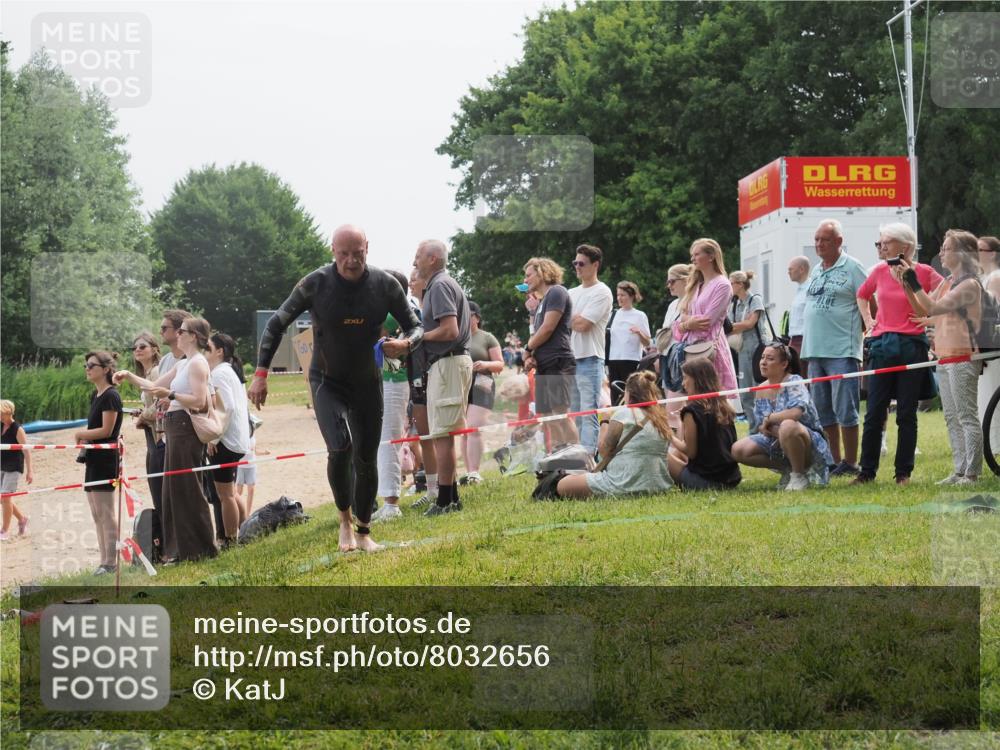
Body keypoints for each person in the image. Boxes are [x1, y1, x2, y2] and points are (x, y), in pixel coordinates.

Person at [249, 225, 422, 551]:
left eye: (357, 253)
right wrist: (260, 374)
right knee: (340, 448)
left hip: (367, 382)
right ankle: (344, 522)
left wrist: (405, 344)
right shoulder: (316, 283)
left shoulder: (384, 285)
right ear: (333, 251)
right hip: (326, 381)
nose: (351, 261)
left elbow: (415, 326)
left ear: (367, 248)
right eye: (343, 254)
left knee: (366, 459)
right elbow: (276, 323)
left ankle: (364, 531)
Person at [115, 318, 218, 562]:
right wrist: (129, 375)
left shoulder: (197, 363)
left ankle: (203, 548)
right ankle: (182, 550)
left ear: (192, 336)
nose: (176, 335)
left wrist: (170, 394)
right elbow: (153, 386)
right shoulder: (183, 364)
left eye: (180, 331)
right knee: (173, 492)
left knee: (188, 489)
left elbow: (201, 401)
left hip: (185, 428)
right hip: (174, 428)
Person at [853, 222, 944, 486]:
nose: (881, 247)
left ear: (904, 246)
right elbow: (862, 294)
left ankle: (903, 473)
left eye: (886, 242)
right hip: (882, 345)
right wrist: (869, 321)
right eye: (879, 242)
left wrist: (931, 321)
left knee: (906, 413)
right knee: (874, 412)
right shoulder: (879, 271)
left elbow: (943, 298)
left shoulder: (925, 272)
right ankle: (866, 471)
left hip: (912, 346)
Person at [898, 230, 983, 484]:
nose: (941, 253)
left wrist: (913, 281)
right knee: (951, 417)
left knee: (966, 416)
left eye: (946, 248)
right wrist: (906, 284)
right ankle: (959, 470)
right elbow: (922, 309)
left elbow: (933, 308)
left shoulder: (969, 284)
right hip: (944, 355)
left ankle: (972, 472)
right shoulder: (947, 282)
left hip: (962, 355)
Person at [801, 220, 869, 477]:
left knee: (845, 409)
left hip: (841, 349)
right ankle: (834, 460)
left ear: (839, 242)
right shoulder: (817, 269)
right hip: (815, 349)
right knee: (822, 408)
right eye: (817, 239)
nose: (819, 244)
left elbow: (868, 299)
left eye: (825, 240)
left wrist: (863, 330)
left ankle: (851, 462)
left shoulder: (852, 267)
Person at [412, 239, 473, 517]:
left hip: (448, 363)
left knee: (443, 436)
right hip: (448, 364)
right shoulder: (443, 284)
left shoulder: (438, 286)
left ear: (433, 258)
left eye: (418, 257)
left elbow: (449, 330)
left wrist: (417, 337)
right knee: (443, 433)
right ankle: (453, 498)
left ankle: (445, 501)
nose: (414, 263)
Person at [732, 343, 834, 491]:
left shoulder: (794, 382)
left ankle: (799, 475)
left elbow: (795, 413)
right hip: (776, 439)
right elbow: (762, 426)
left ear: (784, 364)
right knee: (738, 449)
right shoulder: (761, 389)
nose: (763, 362)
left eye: (770, 358)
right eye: (762, 357)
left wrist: (771, 418)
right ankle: (789, 470)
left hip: (807, 441)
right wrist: (768, 426)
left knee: (787, 425)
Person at [555, 370, 673, 498]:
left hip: (623, 482)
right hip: (658, 485)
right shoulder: (660, 419)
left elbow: (604, 450)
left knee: (562, 485)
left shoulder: (624, 413)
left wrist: (605, 421)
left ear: (628, 393)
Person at [371, 270, 416, 523]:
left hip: (392, 381)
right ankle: (386, 499)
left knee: (388, 439)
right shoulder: (398, 312)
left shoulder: (391, 314)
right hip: (387, 380)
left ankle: (391, 503)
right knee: (383, 440)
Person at [523, 257, 579, 449]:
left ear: (542, 272)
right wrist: (531, 356)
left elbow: (547, 329)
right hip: (544, 363)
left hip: (558, 360)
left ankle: (576, 459)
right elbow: (537, 332)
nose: (525, 280)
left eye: (528, 275)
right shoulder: (541, 302)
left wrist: (527, 349)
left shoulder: (557, 292)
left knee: (560, 414)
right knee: (547, 417)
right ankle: (558, 458)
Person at [76, 351, 124, 574]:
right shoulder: (95, 396)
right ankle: (103, 560)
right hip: (93, 458)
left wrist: (81, 434)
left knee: (106, 512)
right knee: (96, 513)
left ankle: (111, 562)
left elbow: (107, 430)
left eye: (91, 365)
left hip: (106, 458)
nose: (87, 369)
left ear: (105, 369)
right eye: (86, 365)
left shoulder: (111, 396)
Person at [672, 238, 738, 396]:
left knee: (713, 396)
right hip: (691, 349)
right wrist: (687, 323)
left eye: (696, 254)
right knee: (694, 396)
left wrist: (685, 322)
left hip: (709, 349)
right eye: (692, 255)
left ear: (711, 256)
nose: (692, 258)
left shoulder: (722, 284)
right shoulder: (696, 285)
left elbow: (706, 321)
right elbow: (682, 316)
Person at [667, 358, 741, 490]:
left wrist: (668, 435)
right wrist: (681, 420)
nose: (683, 383)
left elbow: (690, 452)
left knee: (665, 457)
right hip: (731, 478)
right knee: (677, 453)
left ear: (697, 379)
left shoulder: (692, 411)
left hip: (707, 481)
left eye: (685, 378)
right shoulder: (723, 404)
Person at [567, 244, 614, 454]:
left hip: (591, 359)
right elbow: (568, 323)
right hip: (571, 359)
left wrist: (568, 319)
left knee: (588, 413)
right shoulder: (570, 292)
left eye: (581, 263)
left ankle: (589, 459)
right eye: (575, 263)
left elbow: (583, 325)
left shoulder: (602, 291)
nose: (577, 267)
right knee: (576, 413)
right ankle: (580, 457)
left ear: (595, 265)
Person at [206, 332, 252, 544]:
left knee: (225, 496)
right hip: (237, 440)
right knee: (231, 493)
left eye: (207, 348)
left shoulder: (219, 373)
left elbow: (229, 407)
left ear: (219, 351)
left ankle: (230, 540)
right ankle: (245, 531)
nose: (204, 353)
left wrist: (214, 438)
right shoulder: (230, 371)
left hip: (226, 441)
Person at [404, 267, 440, 510]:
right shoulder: (413, 310)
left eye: (414, 278)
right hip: (415, 380)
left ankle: (443, 487)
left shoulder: (426, 311)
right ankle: (432, 488)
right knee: (424, 437)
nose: (410, 282)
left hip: (430, 376)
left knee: (437, 436)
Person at [129, 332, 164, 559]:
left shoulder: (158, 372)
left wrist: (144, 417)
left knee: (160, 489)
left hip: (161, 437)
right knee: (156, 489)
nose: (138, 350)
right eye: (134, 348)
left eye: (142, 346)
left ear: (153, 348)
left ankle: (166, 543)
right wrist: (142, 414)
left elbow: (162, 403)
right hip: (152, 436)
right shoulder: (147, 374)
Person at [461, 301, 503, 485]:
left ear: (476, 317)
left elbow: (500, 364)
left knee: (474, 427)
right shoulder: (457, 337)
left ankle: (474, 472)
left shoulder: (487, 337)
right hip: (461, 385)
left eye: (467, 314)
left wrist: (485, 365)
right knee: (463, 430)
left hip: (482, 382)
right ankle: (468, 471)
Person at [728, 270, 769, 431]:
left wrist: (731, 327)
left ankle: (764, 425)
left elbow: (750, 323)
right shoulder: (734, 303)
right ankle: (753, 428)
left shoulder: (755, 299)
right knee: (745, 392)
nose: (729, 287)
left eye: (731, 283)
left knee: (759, 388)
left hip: (758, 349)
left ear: (740, 284)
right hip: (742, 350)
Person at [607, 281, 651, 405]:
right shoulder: (613, 314)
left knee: (631, 392)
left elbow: (647, 342)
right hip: (614, 359)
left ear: (631, 296)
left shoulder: (639, 315)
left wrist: (639, 332)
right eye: (618, 295)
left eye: (623, 295)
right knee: (615, 394)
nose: (619, 298)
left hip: (631, 359)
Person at [659, 263, 692, 428]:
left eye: (672, 281)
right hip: (667, 356)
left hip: (682, 358)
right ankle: (681, 447)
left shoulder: (693, 301)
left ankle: (678, 450)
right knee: (671, 410)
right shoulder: (673, 304)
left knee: (673, 412)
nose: (669, 285)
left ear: (686, 280)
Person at [977, 235, 1000, 448]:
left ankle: (996, 442)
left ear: (992, 253)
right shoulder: (983, 277)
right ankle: (990, 442)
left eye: (980, 250)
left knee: (993, 389)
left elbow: (991, 311)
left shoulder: (995, 277)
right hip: (984, 341)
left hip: (993, 341)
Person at [1, 399, 32, 541]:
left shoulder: (17, 429)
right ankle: (22, 519)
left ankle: (4, 531)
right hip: (2, 465)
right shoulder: (1, 426)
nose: (0, 417)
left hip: (14, 467)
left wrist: (30, 471)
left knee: (5, 497)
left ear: (8, 412)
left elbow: (26, 451)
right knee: (2, 498)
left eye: (1, 414)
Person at [783, 255, 812, 376]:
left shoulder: (810, 289)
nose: (788, 272)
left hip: (804, 340)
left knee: (803, 377)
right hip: (794, 340)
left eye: (791, 269)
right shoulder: (800, 290)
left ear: (801, 269)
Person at [235, 433, 268, 518]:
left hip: (252, 465)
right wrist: (246, 449)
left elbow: (255, 452)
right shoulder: (241, 435)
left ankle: (247, 514)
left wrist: (264, 452)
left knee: (251, 490)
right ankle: (236, 511)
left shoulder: (253, 437)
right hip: (241, 466)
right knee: (239, 491)